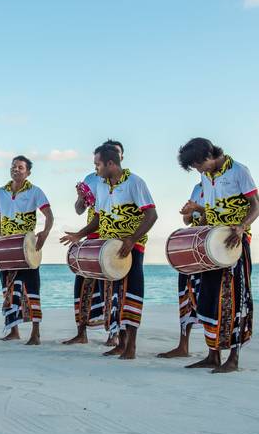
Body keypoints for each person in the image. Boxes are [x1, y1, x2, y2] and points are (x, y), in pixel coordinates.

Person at [60, 144, 156, 360]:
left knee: (130, 294)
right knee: (114, 296)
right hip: (108, 247)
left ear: (110, 164)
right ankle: (120, 344)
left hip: (131, 247)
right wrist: (80, 234)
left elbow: (151, 215)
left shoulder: (135, 182)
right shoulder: (102, 185)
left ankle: (130, 347)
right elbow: (98, 218)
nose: (96, 169)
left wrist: (132, 239)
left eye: (98, 164)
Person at [177, 138, 259, 373]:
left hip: (235, 242)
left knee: (235, 299)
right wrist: (196, 228)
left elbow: (256, 206)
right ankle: (212, 355)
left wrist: (242, 226)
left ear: (208, 155)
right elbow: (213, 209)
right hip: (212, 243)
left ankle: (233, 359)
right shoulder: (206, 176)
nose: (198, 170)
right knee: (210, 298)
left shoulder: (239, 171)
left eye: (197, 165)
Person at [0, 155, 53, 345]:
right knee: (8, 289)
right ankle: (13, 330)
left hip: (26, 247)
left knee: (31, 288)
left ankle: (36, 333)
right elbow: (0, 222)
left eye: (20, 167)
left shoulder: (35, 191)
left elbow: (49, 215)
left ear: (28, 172)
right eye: (13, 166)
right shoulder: (1, 192)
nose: (16, 169)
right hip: (6, 247)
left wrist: (45, 232)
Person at [64, 139, 123, 346]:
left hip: (114, 238)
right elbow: (80, 209)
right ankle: (82, 332)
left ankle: (113, 333)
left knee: (111, 286)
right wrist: (81, 198)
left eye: (117, 153)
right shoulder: (92, 178)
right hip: (91, 236)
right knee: (83, 283)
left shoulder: (125, 181)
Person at [157, 181, 204, 358]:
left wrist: (198, 208)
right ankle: (183, 345)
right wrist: (188, 213)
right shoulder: (197, 187)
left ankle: (215, 351)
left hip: (213, 243)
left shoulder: (224, 181)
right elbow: (187, 220)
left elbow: (222, 213)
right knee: (186, 292)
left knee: (209, 295)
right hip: (194, 240)